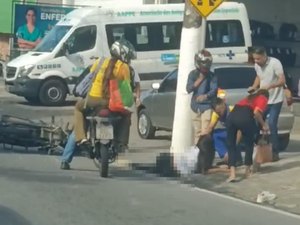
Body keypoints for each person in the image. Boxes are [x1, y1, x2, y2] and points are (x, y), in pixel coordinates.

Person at [61, 40, 137, 169]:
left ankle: (71, 153)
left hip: (92, 100)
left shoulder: (100, 62)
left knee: (79, 113)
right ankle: (121, 143)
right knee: (126, 116)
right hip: (112, 104)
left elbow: (87, 78)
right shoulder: (125, 68)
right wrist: (129, 103)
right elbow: (127, 94)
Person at [248, 46, 286, 162]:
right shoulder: (257, 65)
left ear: (265, 55)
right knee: (257, 122)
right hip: (263, 99)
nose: (256, 61)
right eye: (254, 59)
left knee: (272, 124)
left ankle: (275, 152)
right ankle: (258, 148)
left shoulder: (275, 63)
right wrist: (254, 87)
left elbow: (282, 80)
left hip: (275, 99)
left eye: (258, 59)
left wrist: (271, 86)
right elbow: (259, 77)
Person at [226, 89, 269, 182]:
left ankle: (232, 174)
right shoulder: (263, 98)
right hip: (245, 117)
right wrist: (264, 124)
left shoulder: (248, 98)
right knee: (249, 144)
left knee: (231, 145)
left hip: (231, 117)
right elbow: (256, 113)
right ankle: (247, 171)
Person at [186, 49, 218, 144]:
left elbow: (214, 90)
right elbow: (188, 89)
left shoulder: (212, 76)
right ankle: (198, 152)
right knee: (197, 132)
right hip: (195, 106)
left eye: (208, 63)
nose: (206, 67)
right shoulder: (192, 74)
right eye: (203, 63)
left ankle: (205, 152)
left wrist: (205, 96)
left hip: (207, 106)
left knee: (205, 131)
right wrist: (199, 79)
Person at [204, 97, 243, 166]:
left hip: (242, 131)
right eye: (217, 112)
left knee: (234, 137)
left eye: (220, 111)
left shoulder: (233, 110)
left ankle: (236, 158)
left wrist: (232, 148)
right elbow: (210, 127)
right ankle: (225, 156)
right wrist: (203, 137)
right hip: (230, 131)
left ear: (223, 105)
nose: (219, 114)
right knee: (215, 135)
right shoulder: (216, 113)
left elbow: (240, 131)